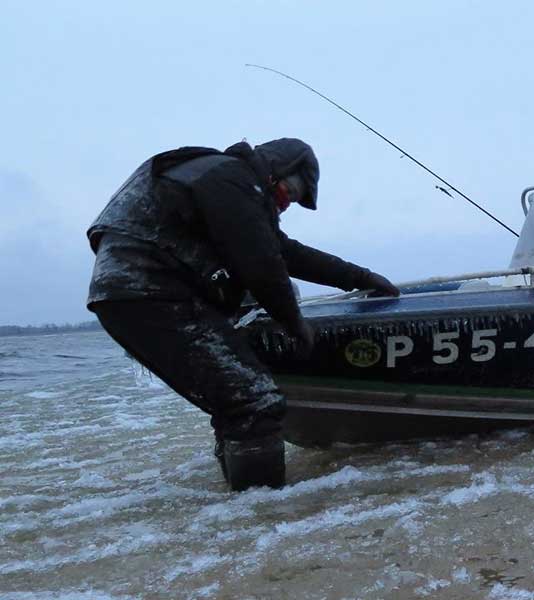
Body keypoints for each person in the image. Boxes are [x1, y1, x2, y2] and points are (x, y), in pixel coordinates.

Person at [86, 138, 399, 492]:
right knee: (254, 401)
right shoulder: (230, 177)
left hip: (127, 294)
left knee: (234, 401)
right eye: (287, 195)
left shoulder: (216, 179)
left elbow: (281, 250)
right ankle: (262, 511)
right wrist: (294, 323)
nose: (283, 207)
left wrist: (358, 277)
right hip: (152, 291)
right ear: (275, 171)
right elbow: (262, 263)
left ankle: (241, 507)